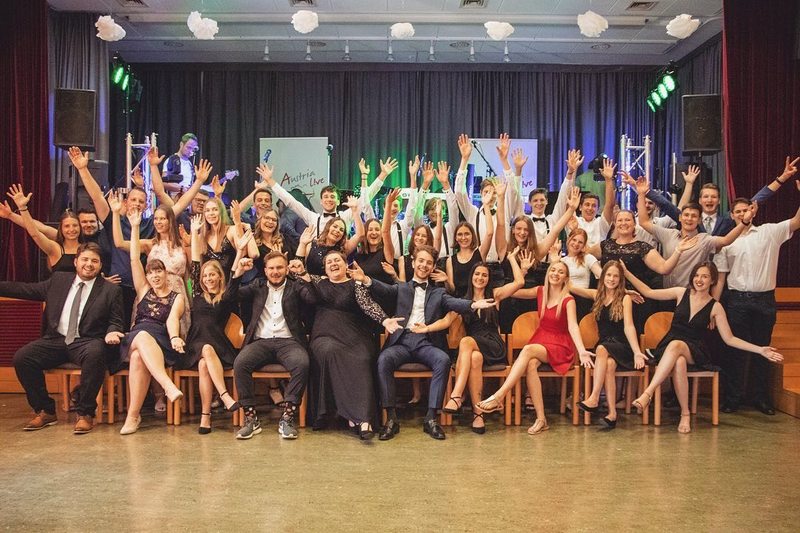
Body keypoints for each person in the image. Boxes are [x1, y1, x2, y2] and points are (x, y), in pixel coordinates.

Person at [350, 244, 495, 441]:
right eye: (421, 261)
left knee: (443, 360)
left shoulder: (438, 293)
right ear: (413, 262)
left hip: (427, 343)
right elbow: (383, 289)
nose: (424, 265)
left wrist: (474, 304)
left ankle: (431, 418)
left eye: (428, 263)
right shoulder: (401, 288)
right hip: (402, 341)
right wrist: (365, 279)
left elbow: (454, 303)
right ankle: (391, 419)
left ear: (433, 266)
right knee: (383, 359)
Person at [624, 261, 783, 433]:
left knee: (677, 346)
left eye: (705, 276)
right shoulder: (680, 293)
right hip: (669, 346)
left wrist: (760, 349)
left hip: (695, 349)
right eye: (697, 276)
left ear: (712, 280)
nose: (699, 280)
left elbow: (730, 339)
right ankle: (685, 414)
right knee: (679, 361)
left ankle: (648, 393)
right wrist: (625, 273)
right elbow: (648, 292)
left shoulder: (715, 307)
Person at [0, 242, 123, 434]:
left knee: (96, 352)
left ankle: (85, 413)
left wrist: (112, 331)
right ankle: (45, 410)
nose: (89, 264)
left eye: (94, 261)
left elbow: (116, 321)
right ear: (75, 262)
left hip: (86, 341)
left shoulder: (110, 290)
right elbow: (26, 289)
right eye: (85, 259)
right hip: (55, 339)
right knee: (23, 357)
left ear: (100, 265)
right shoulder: (58, 280)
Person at [292, 251, 401, 439]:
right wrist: (301, 261)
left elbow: (367, 304)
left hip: (355, 336)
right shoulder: (318, 282)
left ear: (345, 265)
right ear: (325, 268)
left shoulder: (356, 284)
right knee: (329, 351)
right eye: (329, 262)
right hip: (325, 335)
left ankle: (362, 419)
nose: (333, 264)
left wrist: (385, 320)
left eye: (337, 260)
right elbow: (298, 274)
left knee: (362, 358)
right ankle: (352, 416)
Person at [477, 261, 594, 436]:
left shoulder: (568, 300)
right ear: (547, 273)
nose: (555, 274)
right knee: (530, 365)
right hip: (542, 339)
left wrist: (582, 350)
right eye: (553, 270)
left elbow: (573, 326)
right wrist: (519, 273)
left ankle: (499, 396)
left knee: (528, 350)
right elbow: (514, 290)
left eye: (560, 272)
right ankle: (541, 419)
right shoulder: (540, 291)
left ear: (566, 278)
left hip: (560, 345)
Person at [713, 190, 800, 414]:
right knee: (735, 351)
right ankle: (733, 398)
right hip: (737, 301)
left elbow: (796, 221)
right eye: (738, 211)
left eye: (746, 210)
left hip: (764, 300)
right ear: (732, 215)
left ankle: (761, 398)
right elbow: (721, 278)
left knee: (763, 350)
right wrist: (712, 307)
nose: (743, 214)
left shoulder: (769, 232)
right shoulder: (727, 242)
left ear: (753, 212)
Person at [428, 248, 532, 433]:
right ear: (471, 277)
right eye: (477, 274)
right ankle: (478, 415)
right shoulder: (464, 301)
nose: (480, 278)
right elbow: (445, 322)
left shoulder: (495, 295)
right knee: (474, 358)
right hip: (474, 349)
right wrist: (425, 328)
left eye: (484, 275)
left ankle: (457, 395)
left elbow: (520, 282)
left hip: (493, 344)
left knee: (466, 342)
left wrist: (510, 258)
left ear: (488, 279)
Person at [233, 251, 316, 440]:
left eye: (279, 267)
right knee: (240, 363)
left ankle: (287, 418)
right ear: (265, 270)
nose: (275, 271)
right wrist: (238, 273)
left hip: (289, 342)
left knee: (302, 363)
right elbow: (231, 296)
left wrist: (303, 274)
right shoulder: (257, 285)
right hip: (260, 341)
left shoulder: (295, 286)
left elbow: (313, 299)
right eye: (271, 268)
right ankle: (251, 419)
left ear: (286, 269)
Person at [180, 214, 250, 434]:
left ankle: (206, 417)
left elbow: (235, 275)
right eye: (205, 276)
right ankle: (225, 395)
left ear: (220, 277)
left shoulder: (226, 297)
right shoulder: (196, 293)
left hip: (219, 346)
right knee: (204, 352)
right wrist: (195, 232)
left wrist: (240, 250)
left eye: (212, 275)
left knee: (205, 363)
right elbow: (195, 262)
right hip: (195, 344)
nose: (208, 278)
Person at [118, 209, 186, 435]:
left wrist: (174, 337)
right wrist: (135, 226)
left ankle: (132, 417)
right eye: (151, 273)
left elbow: (172, 320)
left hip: (160, 340)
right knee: (140, 336)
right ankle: (167, 385)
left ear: (166, 274)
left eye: (159, 272)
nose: (155, 276)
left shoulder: (176, 297)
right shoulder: (143, 289)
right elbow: (134, 259)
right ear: (147, 276)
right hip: (136, 336)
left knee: (139, 357)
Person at [632, 172, 749, 288]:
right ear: (680, 218)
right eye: (686, 215)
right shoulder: (668, 234)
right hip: (668, 293)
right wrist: (641, 194)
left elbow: (726, 240)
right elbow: (644, 222)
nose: (689, 219)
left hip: (694, 293)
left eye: (694, 216)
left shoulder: (704, 239)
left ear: (699, 220)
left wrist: (744, 222)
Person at [570, 261, 646, 428]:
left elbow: (629, 327)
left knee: (601, 349)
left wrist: (636, 352)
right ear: (602, 276)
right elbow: (571, 287)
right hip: (605, 345)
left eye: (616, 276)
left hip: (622, 345)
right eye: (609, 275)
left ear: (621, 279)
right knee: (609, 365)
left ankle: (594, 397)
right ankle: (612, 414)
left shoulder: (625, 299)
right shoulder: (597, 295)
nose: (611, 279)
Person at [495, 182, 581, 330]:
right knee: (508, 335)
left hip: (531, 300)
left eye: (526, 230)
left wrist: (571, 209)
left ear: (530, 232)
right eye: (519, 229)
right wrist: (501, 198)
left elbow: (555, 230)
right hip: (508, 299)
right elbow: (501, 224)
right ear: (513, 230)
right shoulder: (505, 248)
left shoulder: (536, 251)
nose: (522, 232)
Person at [257, 163, 359, 239]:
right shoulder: (313, 218)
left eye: (332, 196)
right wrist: (270, 181)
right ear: (321, 201)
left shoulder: (345, 216)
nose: (329, 199)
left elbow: (363, 202)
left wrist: (368, 177)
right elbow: (291, 202)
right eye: (326, 196)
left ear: (338, 201)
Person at [6, 184, 80, 272]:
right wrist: (22, 208)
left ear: (80, 227)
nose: (71, 229)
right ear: (61, 229)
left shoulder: (87, 247)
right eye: (67, 226)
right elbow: (35, 234)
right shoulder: (54, 248)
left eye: (75, 225)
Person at [296, 197, 363, 276]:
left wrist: (355, 211)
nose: (337, 230)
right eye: (335, 226)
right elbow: (297, 267)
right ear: (328, 228)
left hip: (335, 283)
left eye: (341, 230)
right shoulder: (312, 245)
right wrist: (302, 244)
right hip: (311, 283)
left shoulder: (344, 248)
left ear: (343, 235)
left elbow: (360, 235)